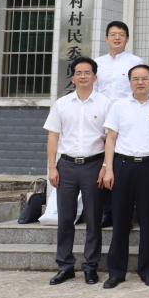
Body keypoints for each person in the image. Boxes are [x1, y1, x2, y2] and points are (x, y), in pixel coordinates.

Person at [101, 64, 149, 288]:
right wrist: (108, 168)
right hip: (122, 166)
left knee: (148, 221)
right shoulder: (119, 106)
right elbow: (111, 139)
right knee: (120, 221)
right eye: (135, 78)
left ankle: (147, 270)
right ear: (129, 82)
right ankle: (116, 272)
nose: (140, 82)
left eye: (144, 78)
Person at [43, 56, 110, 285]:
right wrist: (52, 167)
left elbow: (110, 138)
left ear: (95, 76)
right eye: (78, 73)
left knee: (93, 218)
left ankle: (91, 266)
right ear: (72, 77)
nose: (83, 76)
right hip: (67, 166)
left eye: (87, 72)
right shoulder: (62, 104)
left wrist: (105, 166)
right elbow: (53, 136)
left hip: (94, 165)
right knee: (65, 218)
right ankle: (65, 266)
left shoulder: (105, 103)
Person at [95, 20, 143, 100]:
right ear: (106, 39)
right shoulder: (97, 62)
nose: (117, 38)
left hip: (127, 106)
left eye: (121, 35)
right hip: (102, 106)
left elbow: (140, 88)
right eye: (113, 35)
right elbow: (93, 88)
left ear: (127, 39)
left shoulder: (136, 62)